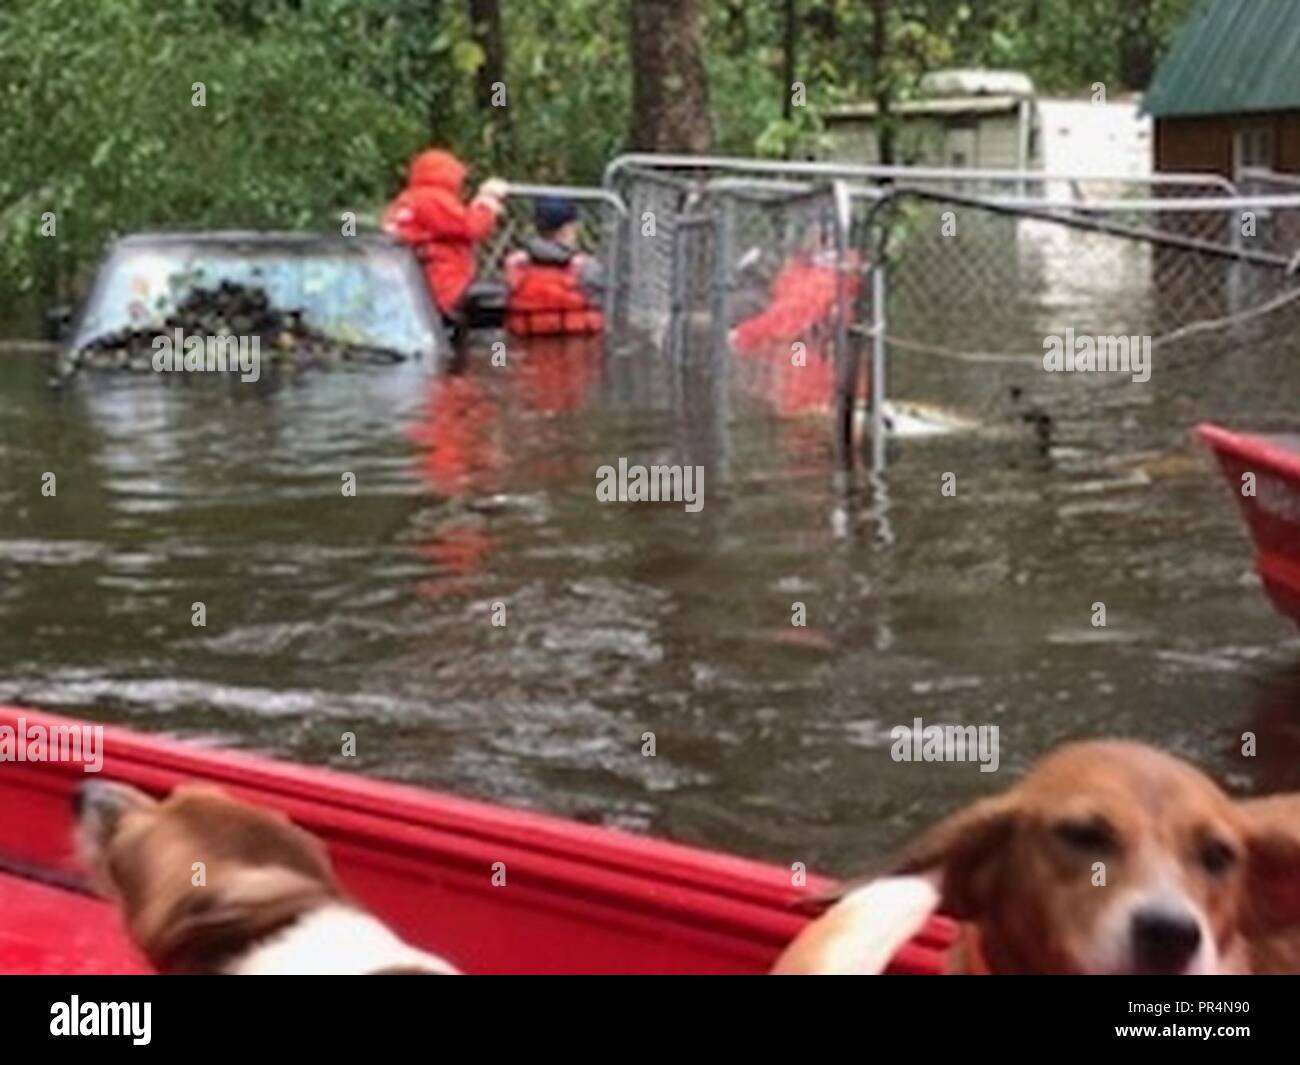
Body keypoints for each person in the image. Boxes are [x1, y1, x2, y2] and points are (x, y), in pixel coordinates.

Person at [382, 149, 506, 327]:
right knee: (507, 303)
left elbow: (451, 225)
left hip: (415, 288)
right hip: (442, 288)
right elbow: (471, 227)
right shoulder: (433, 199)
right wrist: (488, 203)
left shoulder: (407, 200)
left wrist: (479, 205)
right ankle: (494, 352)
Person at [503, 197, 604, 336]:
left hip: (527, 342)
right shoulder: (587, 266)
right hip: (576, 345)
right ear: (568, 228)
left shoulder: (514, 263)